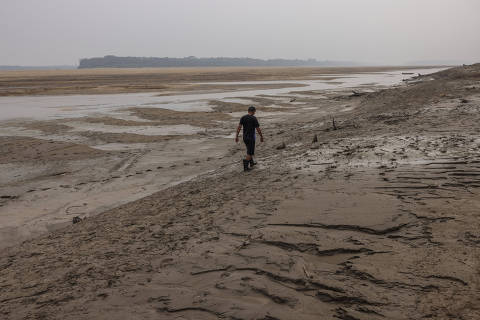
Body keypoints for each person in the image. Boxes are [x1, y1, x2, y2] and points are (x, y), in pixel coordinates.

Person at [235, 106, 264, 171]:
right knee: (250, 152)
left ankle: (251, 163)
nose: (254, 113)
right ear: (253, 111)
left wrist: (236, 136)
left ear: (248, 111)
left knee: (249, 150)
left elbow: (239, 127)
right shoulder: (254, 118)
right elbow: (258, 129)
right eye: (254, 112)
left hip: (245, 137)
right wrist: (261, 136)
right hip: (251, 138)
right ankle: (246, 167)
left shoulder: (243, 117)